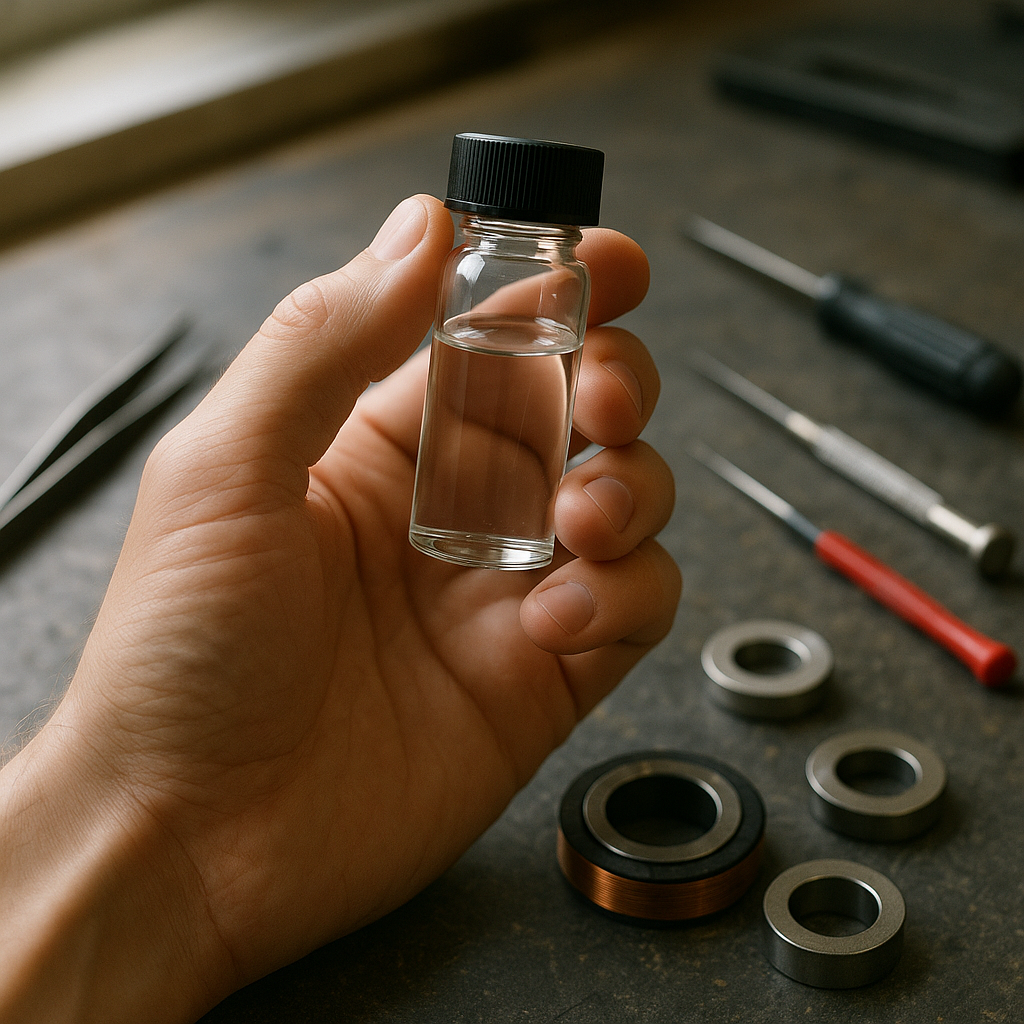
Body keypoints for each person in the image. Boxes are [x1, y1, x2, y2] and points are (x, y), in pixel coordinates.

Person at [0, 194, 680, 1023]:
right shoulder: (470, 270)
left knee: (595, 474)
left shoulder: (536, 279)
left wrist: (150, 837)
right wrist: (145, 802)